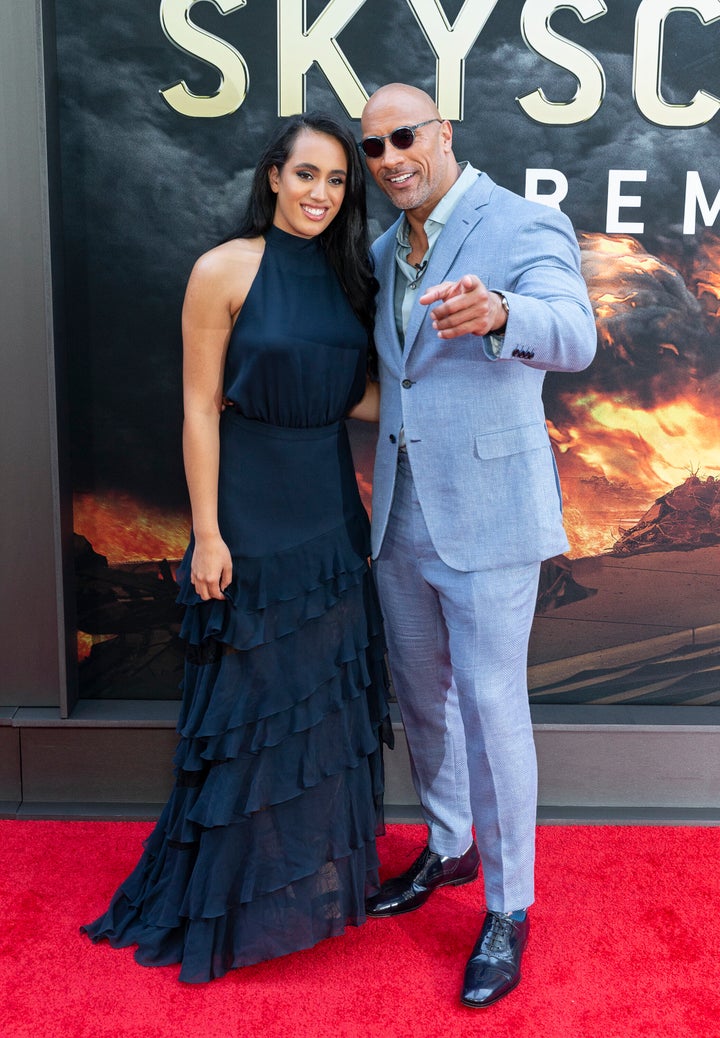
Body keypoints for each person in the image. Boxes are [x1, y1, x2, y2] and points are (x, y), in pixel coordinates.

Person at [81, 112, 391, 983]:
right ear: (272, 178)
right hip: (249, 511)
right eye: (306, 176)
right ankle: (232, 897)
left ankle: (297, 891)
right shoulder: (222, 269)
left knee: (319, 705)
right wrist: (208, 532)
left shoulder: (349, 277)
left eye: (337, 182)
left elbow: (357, 400)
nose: (321, 195)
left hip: (329, 508)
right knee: (251, 705)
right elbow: (196, 408)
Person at [359, 84, 597, 1008]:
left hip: (491, 514)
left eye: (404, 137)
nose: (389, 159)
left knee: (494, 713)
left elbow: (575, 333)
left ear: (443, 132)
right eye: (373, 147)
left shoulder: (522, 221)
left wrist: (503, 314)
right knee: (423, 697)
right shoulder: (384, 251)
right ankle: (450, 847)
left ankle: (510, 907)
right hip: (401, 516)